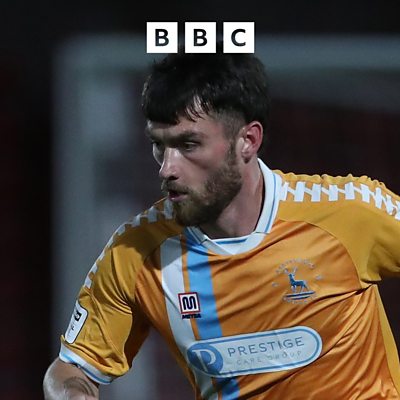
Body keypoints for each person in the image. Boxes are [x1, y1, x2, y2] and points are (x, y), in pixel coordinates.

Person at [43, 41, 400, 399]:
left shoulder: (350, 212)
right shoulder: (135, 253)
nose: (167, 168)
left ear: (248, 140)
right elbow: (71, 369)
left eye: (188, 145)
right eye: (159, 145)